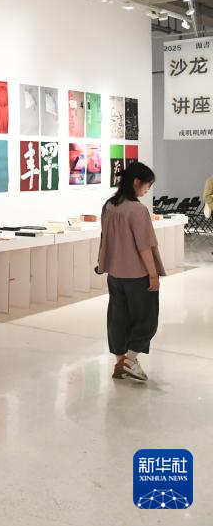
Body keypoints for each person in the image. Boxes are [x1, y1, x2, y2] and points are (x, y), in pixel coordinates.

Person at [97, 162, 164, 382]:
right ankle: (130, 360)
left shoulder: (109, 205)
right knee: (147, 319)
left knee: (118, 318)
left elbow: (105, 239)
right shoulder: (137, 210)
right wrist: (153, 275)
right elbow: (145, 246)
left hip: (115, 274)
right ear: (137, 182)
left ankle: (120, 363)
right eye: (148, 184)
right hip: (136, 276)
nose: (148, 189)